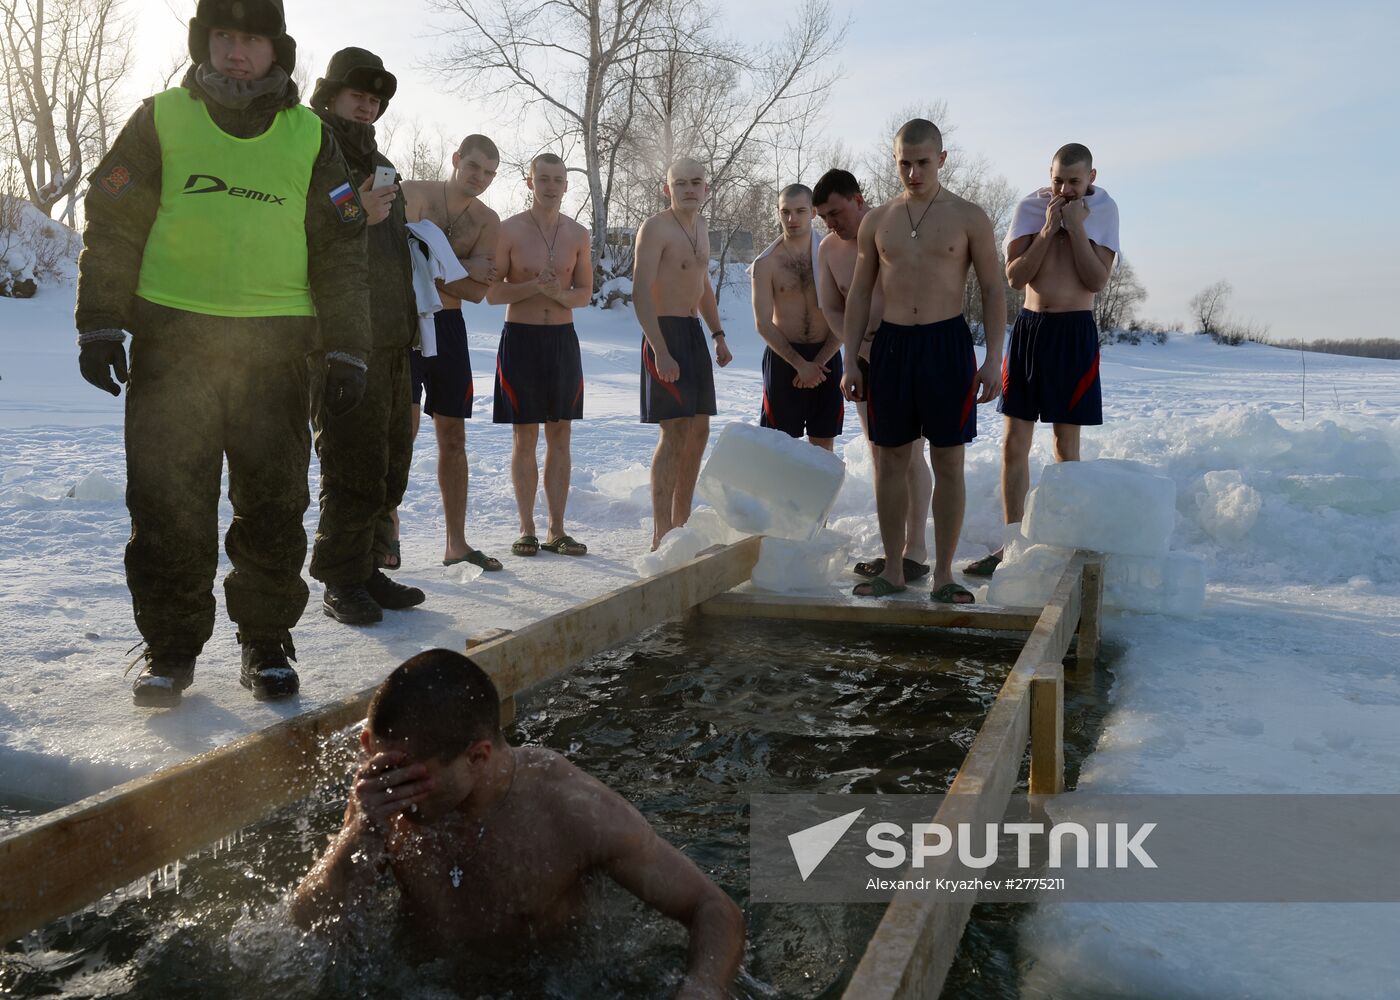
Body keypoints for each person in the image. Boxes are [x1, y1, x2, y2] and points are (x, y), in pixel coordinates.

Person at [75, 0, 370, 706]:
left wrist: (349, 347)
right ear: (205, 42)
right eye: (225, 37)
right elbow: (112, 222)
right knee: (169, 504)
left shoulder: (311, 137)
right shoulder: (160, 119)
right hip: (175, 347)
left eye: (253, 41)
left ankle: (266, 643)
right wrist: (99, 324)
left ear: (279, 52)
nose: (238, 52)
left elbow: (341, 246)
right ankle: (171, 649)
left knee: (272, 505)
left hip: (274, 350)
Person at [290, 649, 745, 998]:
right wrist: (359, 831)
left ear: (477, 756)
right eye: (383, 765)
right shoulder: (381, 795)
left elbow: (713, 909)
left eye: (415, 780)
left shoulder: (570, 808)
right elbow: (307, 927)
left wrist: (700, 989)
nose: (396, 794)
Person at [839, 119, 1006, 604]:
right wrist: (851, 360)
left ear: (942, 159)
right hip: (891, 347)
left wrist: (994, 358)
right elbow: (860, 294)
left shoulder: (969, 216)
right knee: (890, 460)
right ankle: (894, 569)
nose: (913, 172)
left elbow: (995, 289)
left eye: (923, 163)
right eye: (904, 163)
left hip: (947, 346)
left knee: (948, 461)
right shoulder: (878, 220)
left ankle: (944, 574)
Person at [307, 47, 426, 624]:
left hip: (393, 337)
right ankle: (339, 579)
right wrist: (357, 210)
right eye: (358, 95)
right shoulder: (308, 148)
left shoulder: (382, 164)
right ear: (331, 94)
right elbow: (298, 229)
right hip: (342, 338)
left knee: (389, 462)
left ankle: (368, 567)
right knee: (351, 461)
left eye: (376, 101)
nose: (367, 107)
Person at [963, 143, 1119, 578]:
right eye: (1058, 180)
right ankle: (1012, 544)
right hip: (1030, 331)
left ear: (1091, 176)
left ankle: (1064, 543)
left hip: (1074, 333)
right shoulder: (1032, 208)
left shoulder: (1104, 210)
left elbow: (1096, 280)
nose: (1065, 190)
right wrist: (1050, 230)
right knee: (1014, 442)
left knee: (1065, 446)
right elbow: (1015, 278)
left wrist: (1077, 230)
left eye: (1074, 181)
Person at [814, 169, 932, 582]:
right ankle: (892, 549)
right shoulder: (828, 249)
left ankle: (915, 548)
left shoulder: (892, 227)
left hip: (906, 349)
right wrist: (855, 347)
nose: (831, 222)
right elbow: (831, 305)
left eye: (835, 212)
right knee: (880, 452)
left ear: (858, 199)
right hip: (862, 354)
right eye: (824, 217)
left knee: (911, 451)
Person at [401, 136, 503, 572]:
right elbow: (402, 261)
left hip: (450, 328)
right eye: (474, 167)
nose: (479, 178)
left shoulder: (487, 219)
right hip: (405, 323)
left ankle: (455, 544)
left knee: (454, 438)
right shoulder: (415, 193)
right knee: (399, 432)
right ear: (457, 159)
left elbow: (479, 293)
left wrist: (435, 268)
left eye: (489, 173)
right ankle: (384, 534)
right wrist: (459, 271)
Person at [486, 153, 592, 558]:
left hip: (563, 341)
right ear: (530, 183)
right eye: (543, 179)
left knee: (560, 434)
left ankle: (557, 530)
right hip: (522, 340)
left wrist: (558, 295)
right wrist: (533, 288)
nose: (551, 186)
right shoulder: (508, 230)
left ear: (567, 184)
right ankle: (527, 529)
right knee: (525, 435)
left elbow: (583, 294)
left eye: (558, 179)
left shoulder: (578, 234)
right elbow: (493, 293)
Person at [632, 157, 732, 551]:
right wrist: (660, 350)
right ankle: (661, 533)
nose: (689, 189)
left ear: (706, 188)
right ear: (667, 188)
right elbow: (640, 292)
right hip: (664, 331)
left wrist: (718, 334)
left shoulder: (702, 227)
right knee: (674, 432)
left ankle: (682, 522)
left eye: (696, 182)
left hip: (692, 333)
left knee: (700, 429)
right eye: (680, 183)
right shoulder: (655, 228)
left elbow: (702, 284)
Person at [749, 183, 843, 451]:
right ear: (778, 213)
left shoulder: (833, 254)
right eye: (785, 212)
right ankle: (779, 495)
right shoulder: (765, 264)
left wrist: (817, 363)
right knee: (779, 447)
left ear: (814, 212)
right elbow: (763, 323)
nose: (792, 219)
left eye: (800, 211)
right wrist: (800, 364)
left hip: (826, 358)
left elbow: (845, 314)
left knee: (823, 445)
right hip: (783, 360)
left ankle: (817, 495)